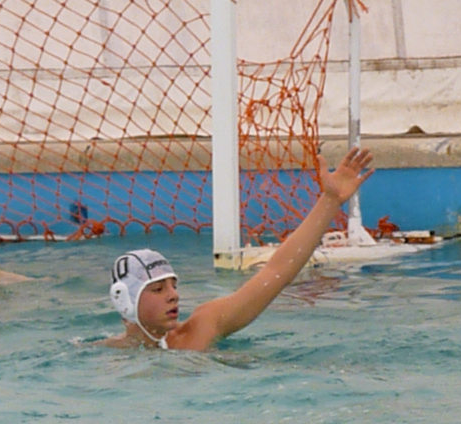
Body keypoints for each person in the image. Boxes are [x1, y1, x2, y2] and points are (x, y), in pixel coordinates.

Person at [102, 147, 374, 351]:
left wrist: (329, 201)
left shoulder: (202, 328)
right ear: (125, 300)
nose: (173, 296)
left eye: (173, 286)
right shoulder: (104, 357)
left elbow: (275, 272)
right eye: (158, 289)